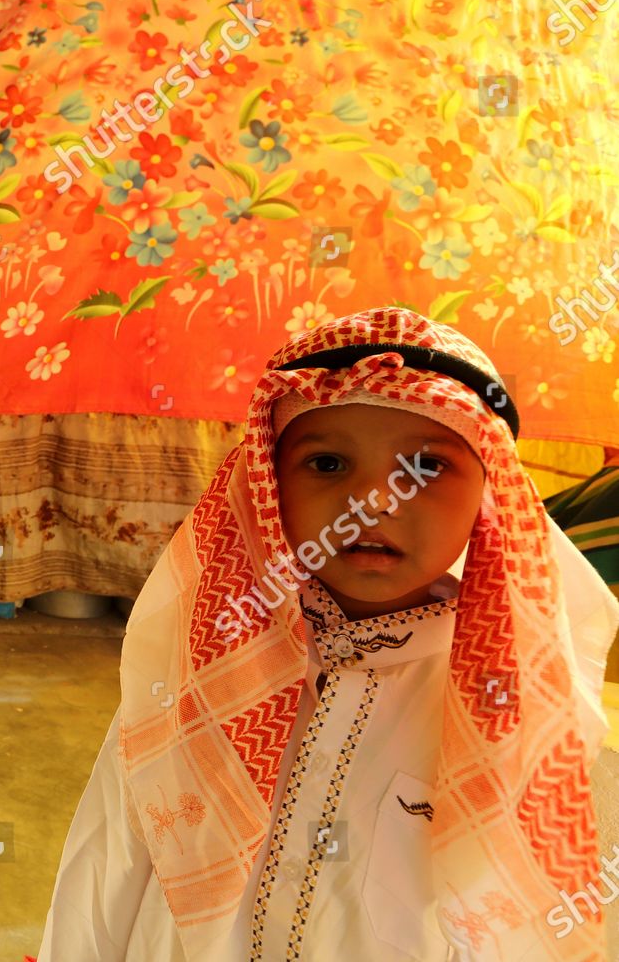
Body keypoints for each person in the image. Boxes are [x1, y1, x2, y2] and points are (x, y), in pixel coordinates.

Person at [36, 307, 619, 961]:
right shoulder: (202, 659)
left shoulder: (509, 705)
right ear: (268, 485)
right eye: (328, 463)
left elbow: (522, 916)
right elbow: (112, 852)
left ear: (489, 497)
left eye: (426, 468)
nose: (374, 501)